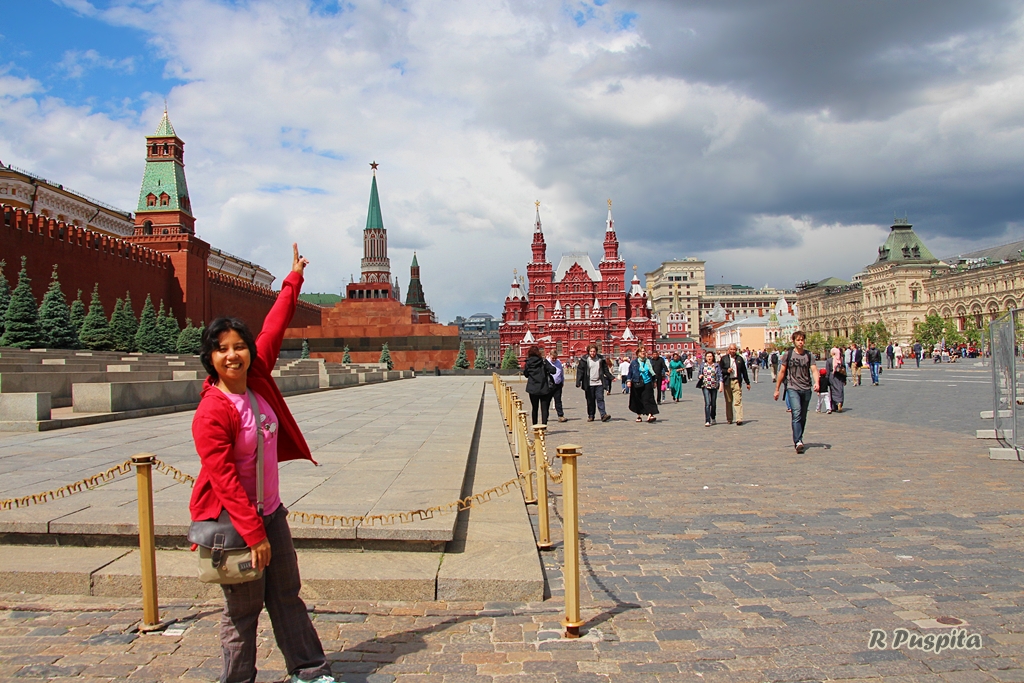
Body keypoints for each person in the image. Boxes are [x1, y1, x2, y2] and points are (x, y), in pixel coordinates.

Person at [191, 244, 337, 683]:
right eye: (223, 349)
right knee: (242, 610)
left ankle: (310, 671)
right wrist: (254, 535)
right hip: (233, 521)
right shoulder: (212, 410)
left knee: (287, 597)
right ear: (210, 357)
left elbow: (273, 326)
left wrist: (293, 279)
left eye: (239, 346)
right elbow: (224, 479)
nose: (233, 354)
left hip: (270, 513)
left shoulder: (256, 378)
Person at [773, 330, 818, 454]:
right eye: (798, 340)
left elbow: (814, 370)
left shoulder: (809, 355)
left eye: (802, 339)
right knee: (796, 412)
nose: (800, 342)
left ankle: (799, 437)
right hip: (793, 387)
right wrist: (777, 389)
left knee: (803, 416)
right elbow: (782, 372)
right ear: (794, 341)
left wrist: (817, 383)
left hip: (806, 388)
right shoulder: (788, 354)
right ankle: (798, 441)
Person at [575, 343, 613, 422]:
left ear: (596, 352)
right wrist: (578, 381)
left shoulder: (600, 359)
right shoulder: (584, 360)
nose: (592, 353)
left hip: (599, 383)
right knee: (590, 400)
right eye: (591, 351)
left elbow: (605, 369)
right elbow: (580, 371)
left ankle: (603, 415)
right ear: (588, 351)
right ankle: (591, 415)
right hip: (589, 383)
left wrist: (611, 377)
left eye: (594, 351)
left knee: (600, 399)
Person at [719, 343, 751, 426]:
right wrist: (727, 371)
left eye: (734, 349)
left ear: (736, 350)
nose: (733, 351)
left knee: (738, 400)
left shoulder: (740, 359)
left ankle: (739, 418)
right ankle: (729, 418)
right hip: (727, 382)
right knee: (729, 401)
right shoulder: (724, 359)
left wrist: (747, 382)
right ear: (728, 350)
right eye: (731, 349)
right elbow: (720, 370)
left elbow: (744, 371)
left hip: (736, 381)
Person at [523, 345, 556, 425]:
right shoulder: (543, 361)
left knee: (534, 408)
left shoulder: (528, 362)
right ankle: (544, 425)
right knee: (544, 408)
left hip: (533, 388)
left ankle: (535, 425)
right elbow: (553, 370)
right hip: (543, 387)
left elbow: (526, 374)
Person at [627, 345, 659, 422]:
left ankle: (650, 415)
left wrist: (654, 381)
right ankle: (639, 415)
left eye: (644, 351)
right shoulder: (634, 362)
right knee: (638, 399)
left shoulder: (649, 361)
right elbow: (630, 372)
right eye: (642, 351)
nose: (643, 353)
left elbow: (653, 372)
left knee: (648, 399)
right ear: (638, 353)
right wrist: (628, 380)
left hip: (647, 382)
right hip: (637, 382)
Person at [697, 350, 722, 426]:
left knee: (713, 403)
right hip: (705, 386)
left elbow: (720, 375)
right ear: (706, 357)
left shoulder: (716, 365)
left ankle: (713, 417)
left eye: (711, 356)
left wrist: (721, 385)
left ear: (713, 357)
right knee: (707, 403)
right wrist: (700, 376)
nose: (709, 358)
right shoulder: (703, 365)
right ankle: (707, 420)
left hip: (714, 386)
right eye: (708, 356)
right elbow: (699, 373)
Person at [548, 350, 568, 422]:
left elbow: (561, 373)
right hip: (549, 385)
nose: (554, 359)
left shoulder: (559, 362)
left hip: (558, 384)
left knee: (558, 401)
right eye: (553, 358)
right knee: (547, 401)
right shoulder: (546, 362)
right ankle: (545, 416)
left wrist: (562, 381)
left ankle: (560, 415)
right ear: (549, 355)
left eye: (555, 358)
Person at [828, 346, 846, 412]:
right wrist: (844, 379)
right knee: (840, 390)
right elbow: (844, 370)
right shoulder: (840, 360)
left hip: (832, 377)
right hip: (840, 377)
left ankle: (834, 406)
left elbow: (827, 371)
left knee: (833, 391)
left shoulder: (829, 360)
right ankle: (840, 402)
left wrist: (826, 380)